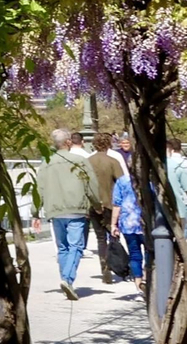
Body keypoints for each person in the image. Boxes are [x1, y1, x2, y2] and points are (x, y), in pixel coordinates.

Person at [37, 128, 98, 302]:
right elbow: (91, 184)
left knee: (63, 247)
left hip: (55, 211)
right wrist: (97, 204)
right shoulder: (80, 161)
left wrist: (36, 211)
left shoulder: (46, 164)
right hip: (76, 209)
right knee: (76, 246)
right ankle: (67, 279)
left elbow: (39, 188)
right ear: (69, 142)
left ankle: (65, 278)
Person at [85, 132, 125, 285]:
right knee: (113, 235)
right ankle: (116, 265)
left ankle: (104, 267)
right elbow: (121, 182)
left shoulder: (87, 161)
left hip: (93, 204)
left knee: (100, 238)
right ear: (109, 144)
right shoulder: (113, 161)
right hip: (111, 204)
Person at [113, 169, 148, 290]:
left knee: (134, 255)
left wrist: (114, 224)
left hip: (128, 223)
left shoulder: (122, 181)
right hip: (145, 223)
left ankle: (138, 286)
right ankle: (147, 278)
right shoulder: (147, 179)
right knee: (150, 252)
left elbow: (117, 204)